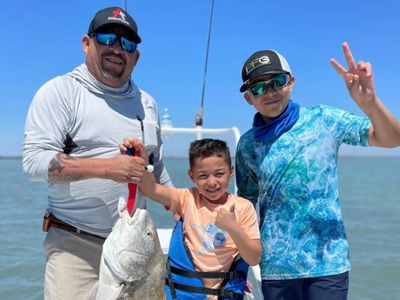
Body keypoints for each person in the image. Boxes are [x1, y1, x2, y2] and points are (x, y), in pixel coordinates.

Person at [22, 7, 171, 300]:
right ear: (86, 43)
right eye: (107, 38)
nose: (117, 48)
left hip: (139, 250)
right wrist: (107, 168)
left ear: (136, 57)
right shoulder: (61, 92)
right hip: (74, 245)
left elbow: (158, 170)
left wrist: (186, 211)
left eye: (127, 44)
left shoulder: (147, 104)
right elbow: (33, 162)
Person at [235, 42, 400, 300]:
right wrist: (238, 267)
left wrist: (369, 104)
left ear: (291, 82)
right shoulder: (246, 145)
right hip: (277, 270)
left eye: (277, 81)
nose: (270, 92)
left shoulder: (324, 119)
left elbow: (391, 139)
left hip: (328, 265)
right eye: (258, 87)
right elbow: (245, 209)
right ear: (249, 98)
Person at [120, 138, 262, 299]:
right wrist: (143, 162)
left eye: (219, 174)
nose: (212, 182)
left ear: (231, 171)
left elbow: (254, 257)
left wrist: (233, 227)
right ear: (191, 176)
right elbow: (150, 189)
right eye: (203, 175)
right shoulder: (186, 199)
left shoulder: (243, 208)